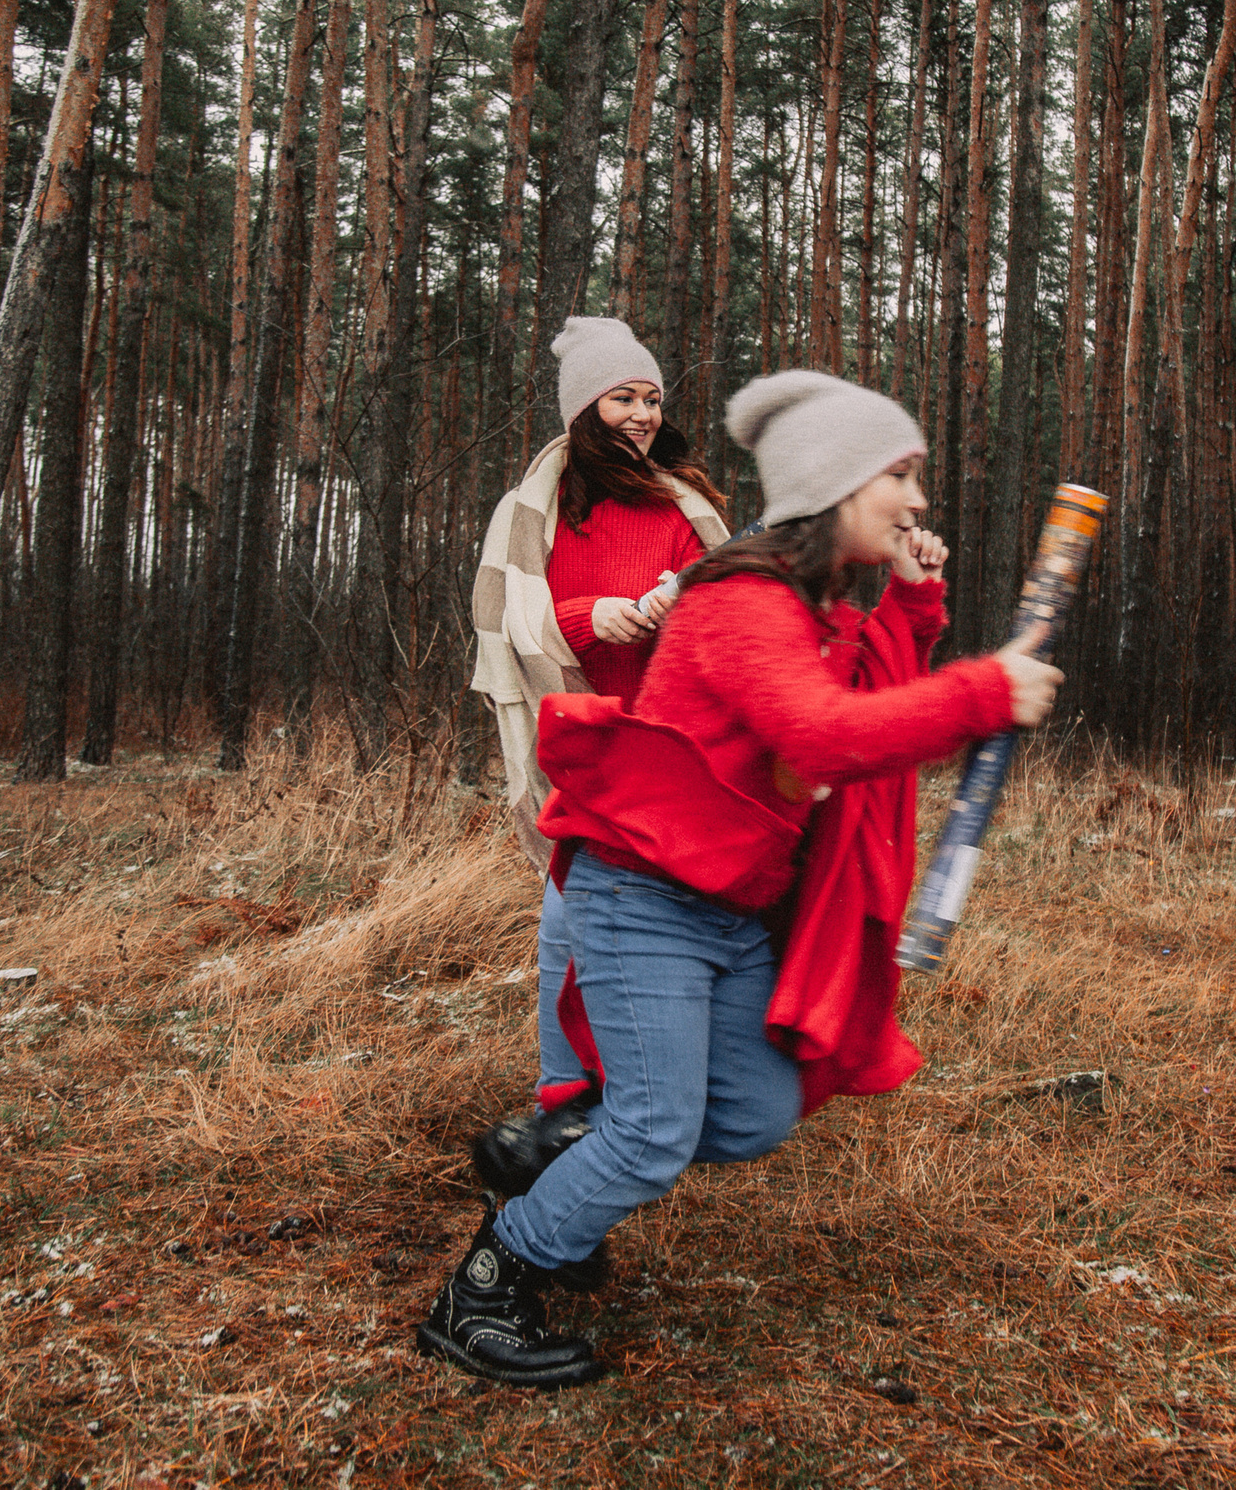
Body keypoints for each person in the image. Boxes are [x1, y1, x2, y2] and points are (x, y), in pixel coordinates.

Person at [421, 369, 1064, 1388]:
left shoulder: (811, 607)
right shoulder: (741, 602)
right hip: (641, 894)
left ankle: (564, 1147)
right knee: (652, 1134)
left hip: (730, 912)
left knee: (756, 1111)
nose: (916, 499)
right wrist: (985, 691)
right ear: (838, 485)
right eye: (898, 475)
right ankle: (486, 1288)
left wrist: (915, 596)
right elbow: (823, 731)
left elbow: (871, 691)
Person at [469, 317, 731, 1145]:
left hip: (666, 753)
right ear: (585, 405)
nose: (645, 413)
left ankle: (647, 1095)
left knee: (657, 931)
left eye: (653, 398)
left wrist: (673, 605)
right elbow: (517, 625)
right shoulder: (532, 513)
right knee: (566, 929)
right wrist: (594, 617)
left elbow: (729, 609)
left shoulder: (683, 502)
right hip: (579, 749)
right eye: (625, 396)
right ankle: (561, 1105)